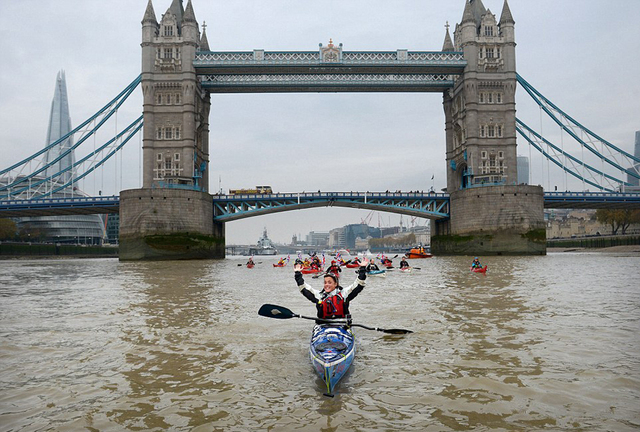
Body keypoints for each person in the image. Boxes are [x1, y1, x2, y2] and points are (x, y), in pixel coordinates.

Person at [294, 258, 369, 320]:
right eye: (325, 282)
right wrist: (298, 274)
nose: (327, 285)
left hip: (342, 325)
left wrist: (362, 269)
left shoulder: (344, 294)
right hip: (324, 325)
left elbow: (358, 284)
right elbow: (304, 288)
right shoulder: (319, 296)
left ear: (335, 284)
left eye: (329, 282)